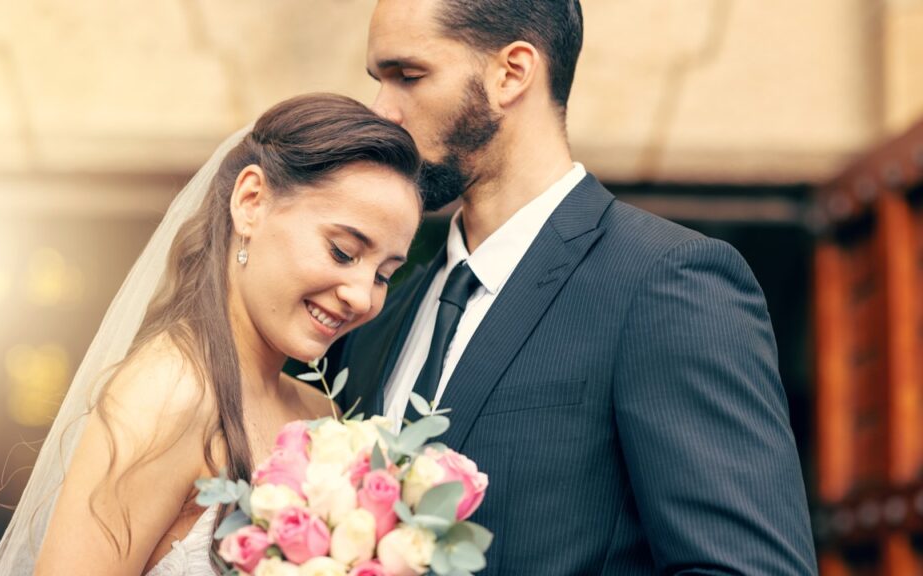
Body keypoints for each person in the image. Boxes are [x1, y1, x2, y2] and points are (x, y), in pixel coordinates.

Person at [339, 1, 817, 574]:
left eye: (408, 76)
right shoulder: (377, 315)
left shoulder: (667, 282)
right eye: (378, 80)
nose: (380, 111)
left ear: (512, 72)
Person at [0, 93, 422, 575]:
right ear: (251, 201)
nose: (363, 297)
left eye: (384, 275)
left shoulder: (324, 416)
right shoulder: (167, 396)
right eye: (342, 252)